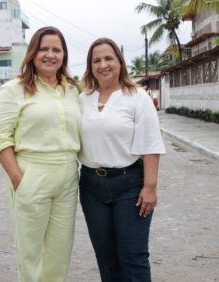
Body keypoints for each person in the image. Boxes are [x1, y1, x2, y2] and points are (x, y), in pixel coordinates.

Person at [0, 26, 81, 282]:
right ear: (32, 53)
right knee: (30, 253)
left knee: (60, 251)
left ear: (64, 55)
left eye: (56, 50)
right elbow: (0, 139)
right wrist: (19, 180)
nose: (50, 55)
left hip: (68, 177)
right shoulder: (14, 89)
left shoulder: (71, 89)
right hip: (32, 173)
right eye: (44, 49)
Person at [78, 37, 166, 282]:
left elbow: (150, 143)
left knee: (133, 256)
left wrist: (150, 187)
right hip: (91, 185)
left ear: (120, 62)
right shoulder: (83, 98)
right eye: (96, 60)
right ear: (90, 66)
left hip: (130, 185)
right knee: (106, 258)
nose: (103, 64)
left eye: (109, 58)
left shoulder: (137, 97)